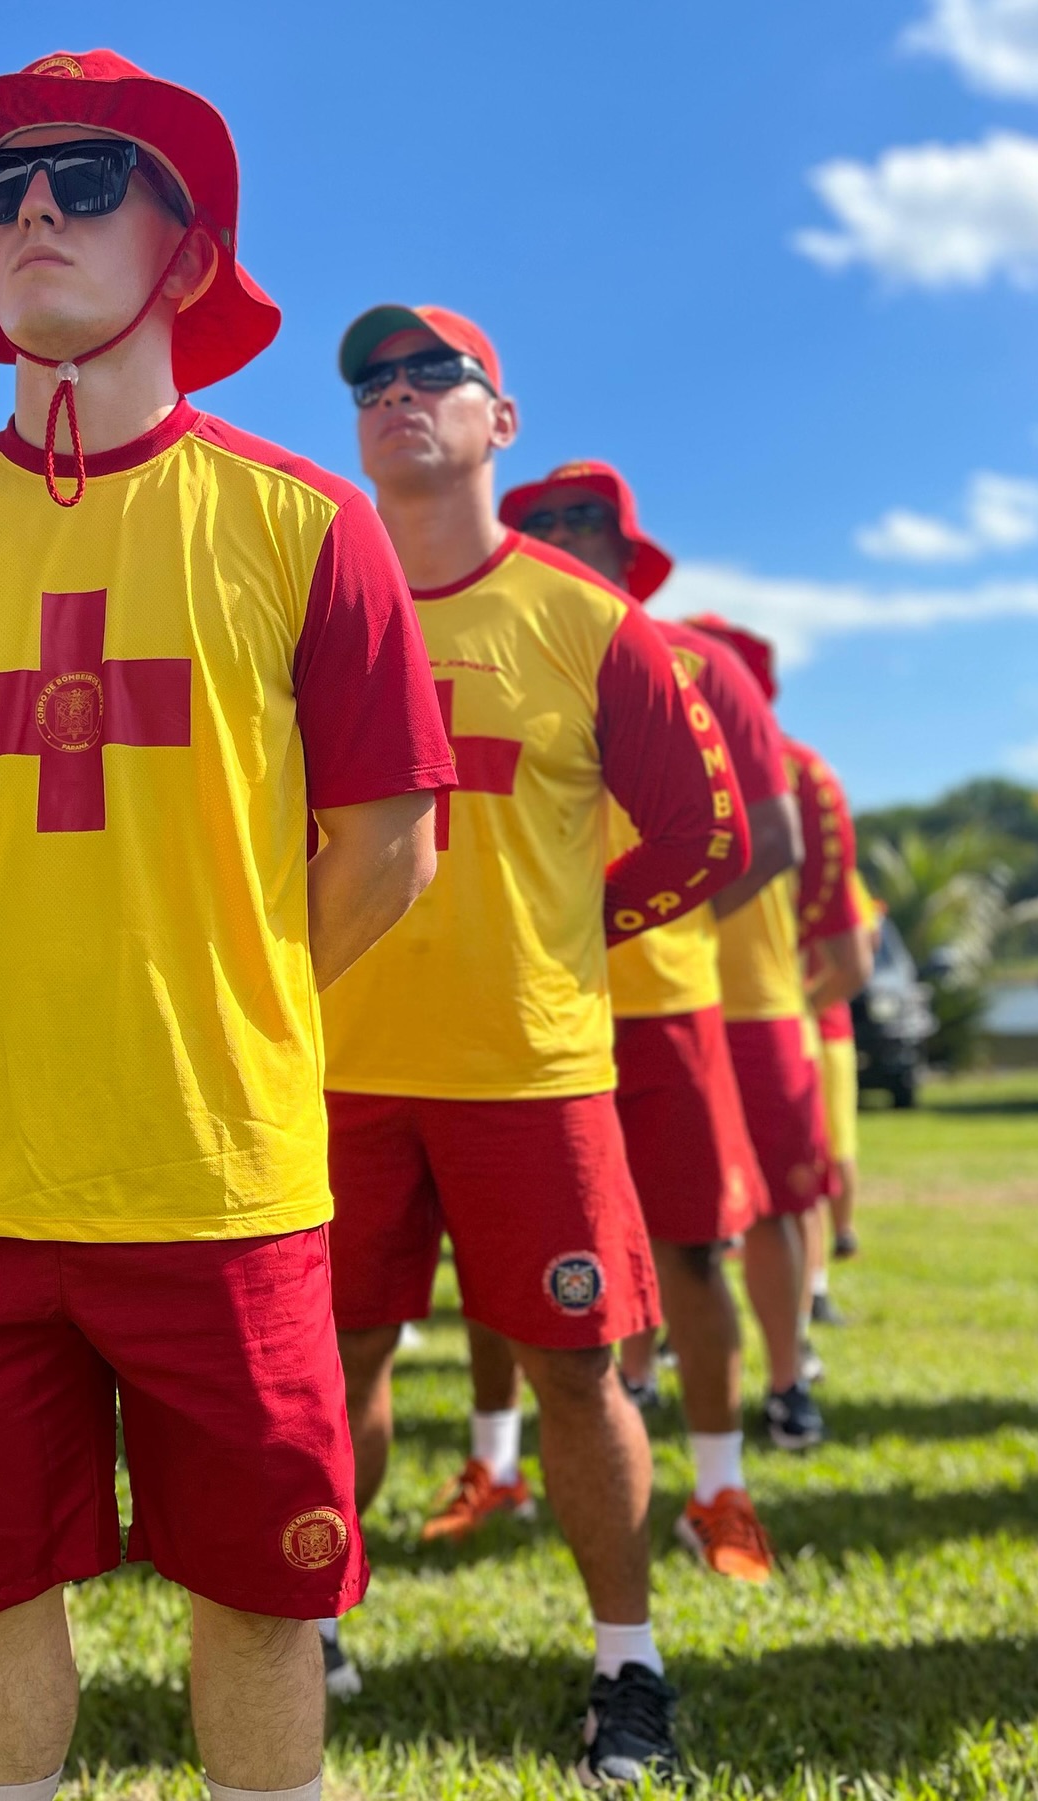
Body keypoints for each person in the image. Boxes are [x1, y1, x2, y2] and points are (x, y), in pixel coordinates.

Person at [0, 51, 453, 1801]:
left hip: (217, 1171)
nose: (29, 213)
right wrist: (28, 986)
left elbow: (392, 842)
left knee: (258, 1597)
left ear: (185, 241)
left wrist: (208, 990)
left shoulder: (305, 520)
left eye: (86, 179)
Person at [319, 304, 751, 1783]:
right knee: (337, 1355)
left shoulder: (588, 621)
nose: (397, 397)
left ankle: (627, 1663)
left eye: (433, 374)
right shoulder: (308, 608)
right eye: (372, 382)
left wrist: (570, 936)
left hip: (534, 1074)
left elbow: (707, 836)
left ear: (501, 420)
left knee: (579, 1374)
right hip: (341, 1071)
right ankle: (315, 1618)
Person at [501, 461, 794, 1582]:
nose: (565, 534)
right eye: (543, 519)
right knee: (512, 1262)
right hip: (527, 1008)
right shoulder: (503, 640)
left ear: (633, 549)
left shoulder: (698, 662)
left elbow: (766, 835)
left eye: (589, 520)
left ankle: (718, 1491)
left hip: (665, 1005)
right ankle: (500, 1459)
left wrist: (633, 924)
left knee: (692, 1253)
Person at [685, 616, 834, 1448]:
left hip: (759, 1002)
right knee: (652, 1209)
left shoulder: (801, 769)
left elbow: (825, 902)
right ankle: (640, 1376)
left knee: (776, 1204)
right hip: (662, 999)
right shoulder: (621, 714)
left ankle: (787, 1380)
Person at [785, 739, 875, 1323]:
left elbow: (857, 952)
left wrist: (804, 1003)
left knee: (823, 1158)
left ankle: (818, 1280)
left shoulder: (835, 874)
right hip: (802, 1022)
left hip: (819, 1026)